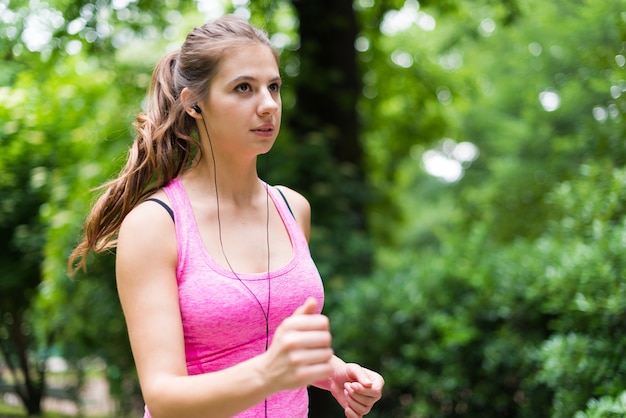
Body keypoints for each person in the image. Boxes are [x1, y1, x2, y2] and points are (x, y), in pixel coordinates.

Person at [68, 14, 384, 418]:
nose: (268, 105)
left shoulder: (292, 208)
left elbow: (267, 345)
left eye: (273, 87)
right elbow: (164, 398)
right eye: (243, 88)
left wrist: (335, 373)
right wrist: (270, 373)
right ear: (194, 104)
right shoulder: (156, 225)